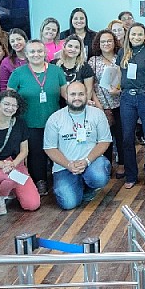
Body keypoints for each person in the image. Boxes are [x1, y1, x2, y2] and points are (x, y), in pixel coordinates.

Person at [6, 40, 68, 195]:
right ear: (26, 54)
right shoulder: (18, 74)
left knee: (58, 151)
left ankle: (61, 179)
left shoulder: (56, 71)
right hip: (29, 122)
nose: (36, 54)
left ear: (45, 53)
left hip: (54, 121)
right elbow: (9, 99)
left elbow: (66, 95)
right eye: (32, 52)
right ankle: (40, 181)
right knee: (36, 153)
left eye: (39, 51)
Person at [43, 81, 112, 209]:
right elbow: (50, 148)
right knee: (68, 203)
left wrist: (87, 161)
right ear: (66, 96)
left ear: (87, 95)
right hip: (65, 166)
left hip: (91, 162)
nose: (77, 98)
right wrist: (68, 165)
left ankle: (87, 185)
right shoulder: (55, 119)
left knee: (99, 177)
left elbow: (104, 141)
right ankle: (77, 184)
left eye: (81, 94)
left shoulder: (97, 114)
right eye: (73, 94)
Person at [117, 23, 145, 189]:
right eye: (133, 34)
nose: (136, 37)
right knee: (127, 137)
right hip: (127, 98)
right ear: (128, 35)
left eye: (139, 34)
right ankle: (131, 175)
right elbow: (118, 74)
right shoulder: (123, 52)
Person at [0, 89, 39, 213]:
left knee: (32, 204)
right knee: (11, 178)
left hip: (16, 164)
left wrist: (13, 164)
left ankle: (7, 188)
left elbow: (24, 150)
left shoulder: (21, 123)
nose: (10, 108)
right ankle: (0, 195)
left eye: (14, 105)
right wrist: (3, 165)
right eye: (6, 104)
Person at [88, 29, 123, 172]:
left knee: (121, 136)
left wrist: (119, 90)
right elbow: (90, 86)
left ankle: (122, 164)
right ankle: (107, 165)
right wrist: (98, 105)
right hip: (101, 105)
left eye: (109, 40)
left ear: (114, 42)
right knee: (103, 137)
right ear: (98, 43)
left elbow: (126, 80)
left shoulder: (121, 58)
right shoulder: (92, 61)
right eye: (103, 41)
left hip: (120, 103)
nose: (106, 44)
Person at [56, 37, 96, 105]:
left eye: (76, 47)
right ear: (64, 47)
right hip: (57, 105)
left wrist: (83, 104)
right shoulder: (54, 65)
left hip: (78, 105)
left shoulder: (85, 67)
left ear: (80, 50)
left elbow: (88, 91)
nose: (73, 49)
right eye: (70, 46)